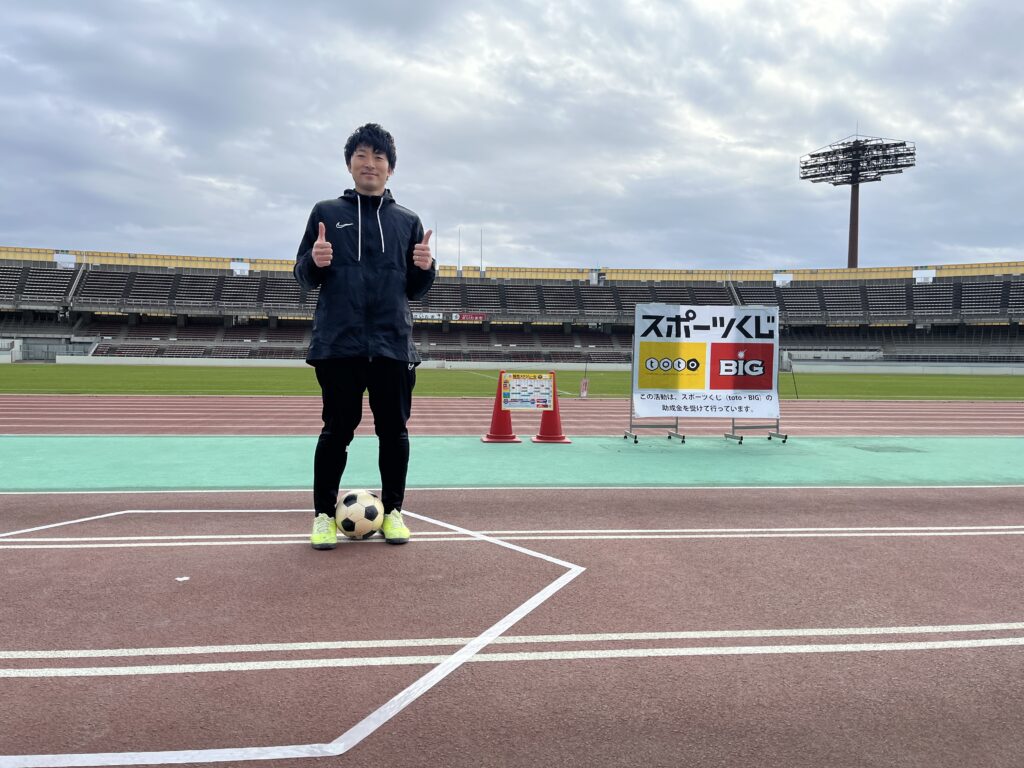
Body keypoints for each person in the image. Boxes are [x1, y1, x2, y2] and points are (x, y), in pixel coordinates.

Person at [293, 123, 435, 550]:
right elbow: (303, 277)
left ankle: (393, 513)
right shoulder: (325, 212)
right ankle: (323, 516)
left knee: (394, 433)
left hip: (392, 343)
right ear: (349, 164)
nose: (369, 163)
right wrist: (315, 260)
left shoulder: (407, 220)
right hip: (340, 343)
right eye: (361, 155)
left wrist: (426, 268)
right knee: (336, 432)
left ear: (390, 168)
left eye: (378, 157)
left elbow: (415, 290)